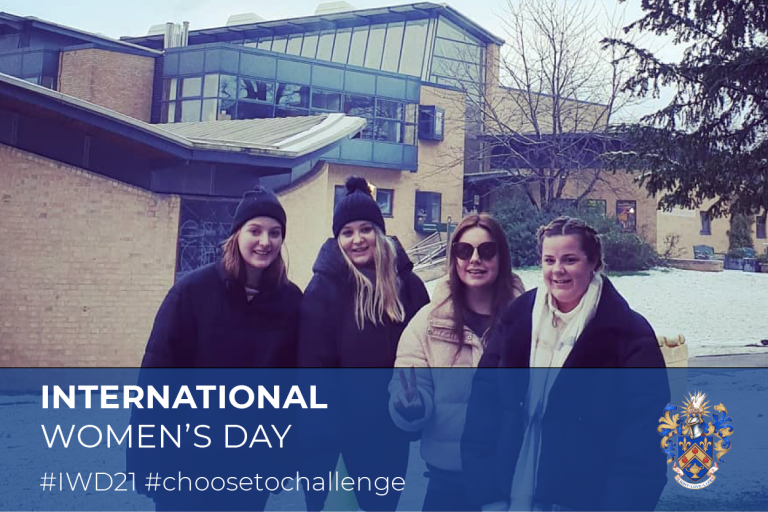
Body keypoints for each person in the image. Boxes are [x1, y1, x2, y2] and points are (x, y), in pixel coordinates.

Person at [461, 216, 669, 512]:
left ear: (593, 262)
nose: (557, 270)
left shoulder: (629, 334)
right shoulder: (516, 318)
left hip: (586, 500)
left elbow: (644, 439)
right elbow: (484, 408)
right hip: (509, 498)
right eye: (549, 260)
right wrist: (486, 493)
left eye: (569, 259)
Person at [133, 187, 302, 512]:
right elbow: (156, 377)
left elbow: (292, 389)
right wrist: (146, 456)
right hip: (186, 464)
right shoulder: (191, 293)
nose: (265, 241)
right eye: (255, 230)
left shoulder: (292, 302)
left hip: (251, 468)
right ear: (237, 234)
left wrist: (283, 457)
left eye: (275, 233)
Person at [298, 176, 430, 512]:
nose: (357, 240)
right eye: (347, 232)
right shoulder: (324, 289)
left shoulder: (409, 287)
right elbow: (313, 369)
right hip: (339, 439)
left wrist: (414, 407)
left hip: (390, 434)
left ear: (379, 231)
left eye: (365, 229)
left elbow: (424, 358)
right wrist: (323, 437)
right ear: (337, 238)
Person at [389, 213, 525, 512]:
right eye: (465, 250)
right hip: (448, 482)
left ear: (502, 256)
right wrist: (410, 405)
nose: (474, 259)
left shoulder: (528, 322)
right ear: (454, 258)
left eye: (486, 250)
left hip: (511, 478)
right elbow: (409, 388)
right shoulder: (426, 322)